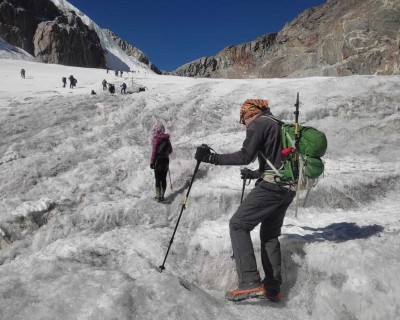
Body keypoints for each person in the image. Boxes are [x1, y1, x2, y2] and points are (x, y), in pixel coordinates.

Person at [194, 99, 296, 302]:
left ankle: (250, 282)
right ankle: (272, 289)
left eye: (244, 120)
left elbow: (244, 155)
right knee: (269, 235)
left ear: (249, 114)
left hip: (272, 187)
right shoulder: (276, 123)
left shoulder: (258, 124)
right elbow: (277, 160)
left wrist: (211, 158)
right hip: (287, 187)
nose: (245, 125)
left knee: (238, 225)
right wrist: (255, 174)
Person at [150, 122, 173, 202]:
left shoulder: (156, 138)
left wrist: (152, 162)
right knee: (163, 178)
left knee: (158, 178)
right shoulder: (166, 139)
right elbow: (170, 150)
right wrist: (165, 154)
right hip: (165, 160)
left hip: (158, 160)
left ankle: (158, 196)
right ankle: (162, 196)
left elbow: (154, 151)